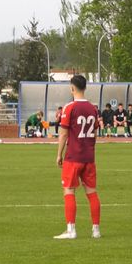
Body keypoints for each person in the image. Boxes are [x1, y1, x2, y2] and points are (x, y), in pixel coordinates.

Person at [55, 75, 101, 240]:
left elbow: (64, 134)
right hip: (89, 157)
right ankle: (96, 230)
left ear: (72, 88)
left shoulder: (70, 107)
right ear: (85, 88)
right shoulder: (93, 108)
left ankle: (71, 230)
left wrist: (59, 154)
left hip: (73, 156)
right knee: (92, 192)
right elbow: (95, 132)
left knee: (69, 190)